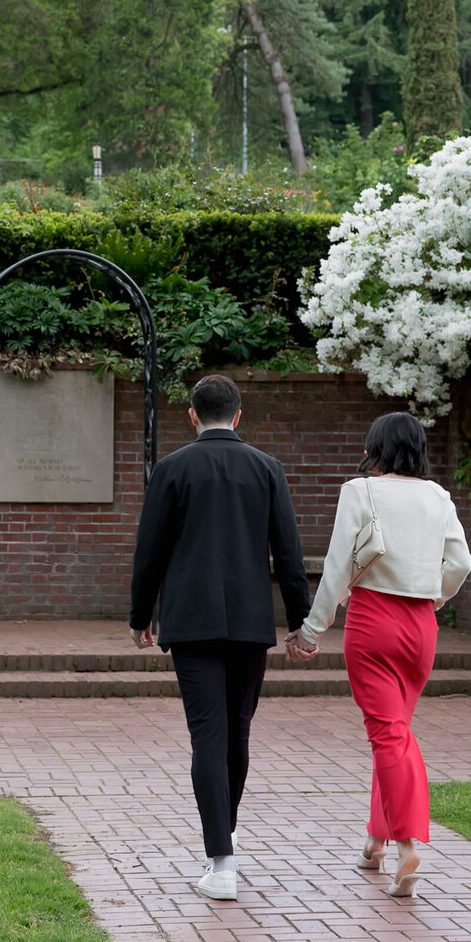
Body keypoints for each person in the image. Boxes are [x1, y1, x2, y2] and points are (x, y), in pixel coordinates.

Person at [129, 372, 312, 902]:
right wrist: (301, 622)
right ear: (238, 414)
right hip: (251, 624)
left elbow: (150, 552)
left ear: (192, 415)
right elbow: (290, 555)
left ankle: (222, 859)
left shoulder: (171, 469)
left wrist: (142, 613)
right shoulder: (267, 469)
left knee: (208, 735)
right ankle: (224, 841)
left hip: (190, 622)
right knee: (237, 733)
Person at [286, 411, 471, 898]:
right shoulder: (438, 496)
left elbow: (336, 566)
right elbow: (462, 562)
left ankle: (408, 845)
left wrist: (311, 629)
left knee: (388, 735)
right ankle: (376, 839)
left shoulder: (360, 490)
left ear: (377, 447)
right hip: (421, 626)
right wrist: (435, 597)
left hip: (373, 622)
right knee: (395, 731)